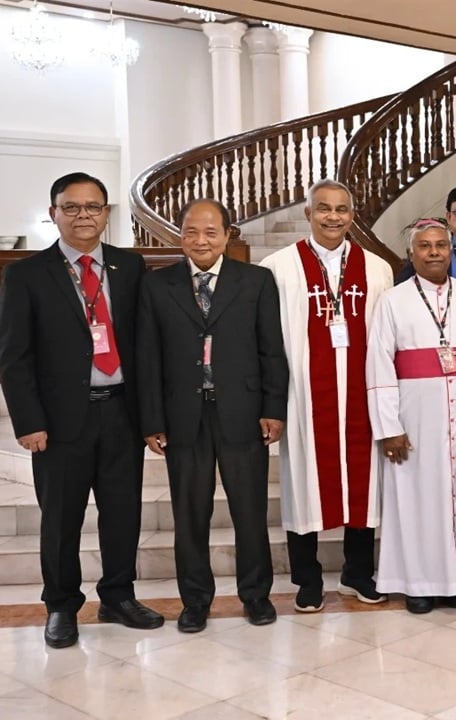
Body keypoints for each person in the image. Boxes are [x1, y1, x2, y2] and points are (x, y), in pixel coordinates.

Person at [0, 172, 164, 649]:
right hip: (58, 423)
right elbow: (14, 356)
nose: (83, 216)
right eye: (71, 207)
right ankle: (60, 605)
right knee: (60, 519)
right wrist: (28, 421)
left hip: (121, 414)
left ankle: (118, 595)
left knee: (122, 514)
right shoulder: (27, 274)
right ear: (54, 213)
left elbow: (144, 347)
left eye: (93, 206)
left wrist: (150, 418)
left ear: (107, 213)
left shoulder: (130, 268)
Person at [137, 199, 288, 633]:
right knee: (190, 514)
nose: (200, 240)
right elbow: (146, 357)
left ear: (227, 235)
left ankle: (256, 595)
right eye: (190, 232)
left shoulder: (256, 281)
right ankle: (196, 601)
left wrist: (272, 408)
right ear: (179, 235)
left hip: (242, 413)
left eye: (210, 232)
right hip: (183, 417)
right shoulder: (156, 285)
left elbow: (271, 349)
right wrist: (152, 420)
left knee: (249, 511)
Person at [259, 180, 394, 612]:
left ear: (353, 216)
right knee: (303, 484)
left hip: (361, 392)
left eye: (341, 209)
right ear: (308, 213)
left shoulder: (377, 269)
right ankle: (308, 579)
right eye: (323, 209)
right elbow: (266, 340)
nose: (333, 217)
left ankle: (358, 574)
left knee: (364, 484)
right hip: (303, 397)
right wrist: (272, 402)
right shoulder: (278, 267)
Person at [367, 220, 456, 614]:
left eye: (441, 245)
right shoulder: (393, 300)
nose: (433, 252)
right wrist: (389, 427)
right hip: (414, 417)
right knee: (416, 499)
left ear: (451, 249)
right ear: (412, 254)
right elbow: (378, 366)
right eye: (424, 246)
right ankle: (418, 583)